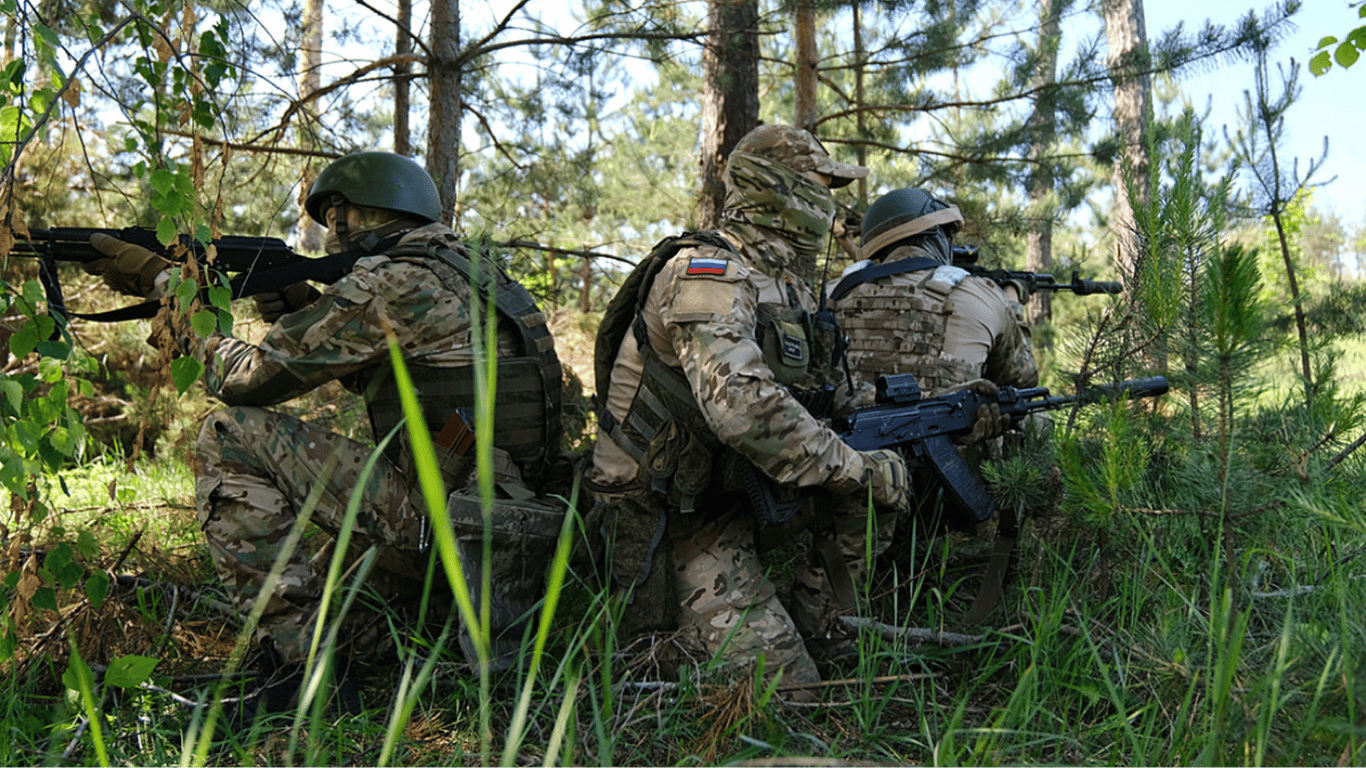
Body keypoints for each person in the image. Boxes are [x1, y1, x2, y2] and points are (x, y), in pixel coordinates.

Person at [81, 151, 564, 720]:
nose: (331, 233)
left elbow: (243, 379)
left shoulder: (395, 279)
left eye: (336, 214)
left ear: (358, 213)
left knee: (227, 432)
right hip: (505, 528)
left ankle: (308, 677)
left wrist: (170, 289)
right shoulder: (466, 270)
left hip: (447, 525)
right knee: (343, 612)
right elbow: (402, 371)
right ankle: (379, 641)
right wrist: (305, 305)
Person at [585, 124, 911, 694]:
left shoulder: (791, 287)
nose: (831, 201)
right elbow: (740, 406)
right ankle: (691, 645)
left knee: (874, 491)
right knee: (789, 698)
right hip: (667, 515)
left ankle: (826, 633)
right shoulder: (706, 270)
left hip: (734, 491)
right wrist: (854, 467)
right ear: (777, 189)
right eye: (820, 184)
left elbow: (830, 396)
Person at [822, 186, 1039, 622]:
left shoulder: (827, 293)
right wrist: (1009, 307)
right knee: (1026, 415)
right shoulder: (978, 294)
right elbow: (1020, 380)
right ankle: (1005, 565)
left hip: (836, 482)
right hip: (939, 496)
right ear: (937, 236)